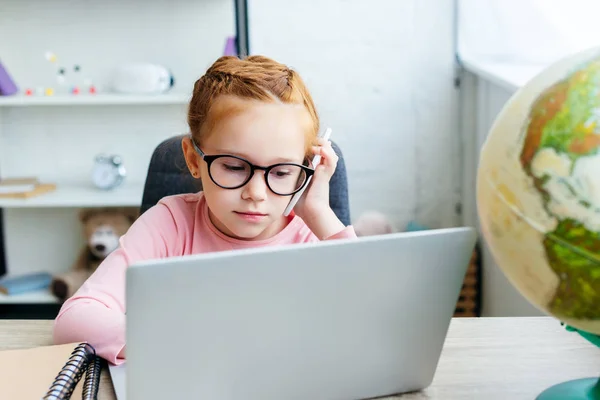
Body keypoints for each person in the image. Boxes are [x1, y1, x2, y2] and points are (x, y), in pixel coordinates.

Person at [52, 55, 357, 365]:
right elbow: (75, 320)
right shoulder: (169, 224)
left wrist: (319, 211)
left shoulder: (312, 237)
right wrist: (185, 340)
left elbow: (372, 318)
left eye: (281, 172)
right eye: (235, 167)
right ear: (194, 159)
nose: (256, 194)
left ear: (307, 169)